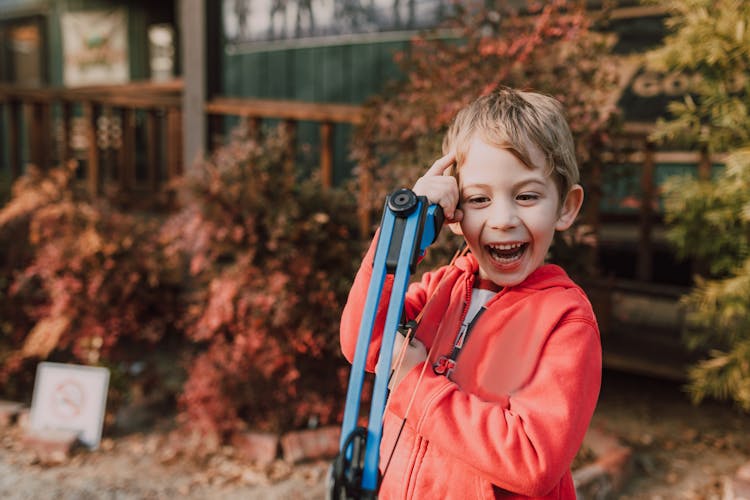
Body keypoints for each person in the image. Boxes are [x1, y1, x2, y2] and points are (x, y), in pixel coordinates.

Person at [339, 87, 602, 499]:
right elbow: (363, 341)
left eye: (527, 196)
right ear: (455, 213)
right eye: (479, 199)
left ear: (565, 206)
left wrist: (416, 381)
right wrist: (404, 232)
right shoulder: (441, 289)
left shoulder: (564, 321)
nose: (502, 219)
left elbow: (532, 460)